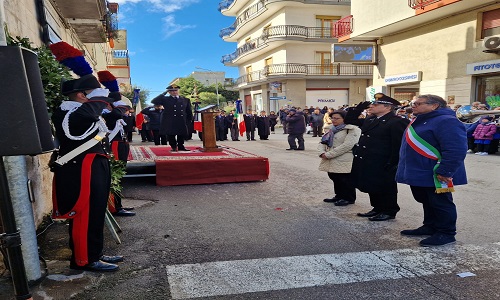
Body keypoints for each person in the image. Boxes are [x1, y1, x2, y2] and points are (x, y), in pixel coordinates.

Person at [51, 74, 122, 272]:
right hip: (81, 168)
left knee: (97, 212)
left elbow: (113, 114)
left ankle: (95, 252)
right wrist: (96, 99)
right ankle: (84, 259)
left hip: (94, 165)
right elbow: (87, 116)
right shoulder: (68, 112)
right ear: (82, 95)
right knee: (85, 213)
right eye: (93, 95)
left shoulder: (83, 110)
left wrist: (102, 97)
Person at [396, 94, 467, 247]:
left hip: (436, 172)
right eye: (414, 103)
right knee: (426, 200)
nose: (413, 106)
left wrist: (446, 171)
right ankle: (430, 226)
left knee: (440, 203)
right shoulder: (420, 120)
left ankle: (446, 233)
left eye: (418, 103)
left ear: (434, 106)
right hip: (420, 170)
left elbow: (455, 148)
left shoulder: (447, 121)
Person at [347, 93, 410, 221]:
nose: (372, 106)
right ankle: (377, 208)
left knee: (386, 187)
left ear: (388, 107)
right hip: (369, 159)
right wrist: (357, 109)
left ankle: (389, 210)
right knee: (372, 184)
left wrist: (393, 163)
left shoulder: (397, 121)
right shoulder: (371, 119)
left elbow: (397, 145)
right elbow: (350, 121)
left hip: (384, 160)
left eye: (376, 104)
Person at [318, 110, 361, 206]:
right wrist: (321, 152)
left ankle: (348, 198)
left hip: (344, 158)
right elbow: (323, 141)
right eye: (332, 118)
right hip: (331, 157)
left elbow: (348, 145)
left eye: (337, 118)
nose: (334, 120)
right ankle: (339, 195)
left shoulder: (352, 129)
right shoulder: (331, 129)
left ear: (344, 119)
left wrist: (329, 154)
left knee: (344, 179)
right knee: (334, 177)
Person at [151, 84, 193, 151]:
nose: (174, 92)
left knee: (181, 133)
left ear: (178, 90)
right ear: (169, 92)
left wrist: (190, 119)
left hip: (181, 119)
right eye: (172, 91)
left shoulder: (185, 99)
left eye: (176, 90)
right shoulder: (165, 99)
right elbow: (154, 101)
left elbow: (188, 110)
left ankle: (181, 146)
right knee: (171, 134)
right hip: (170, 119)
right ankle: (173, 146)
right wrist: (163, 93)